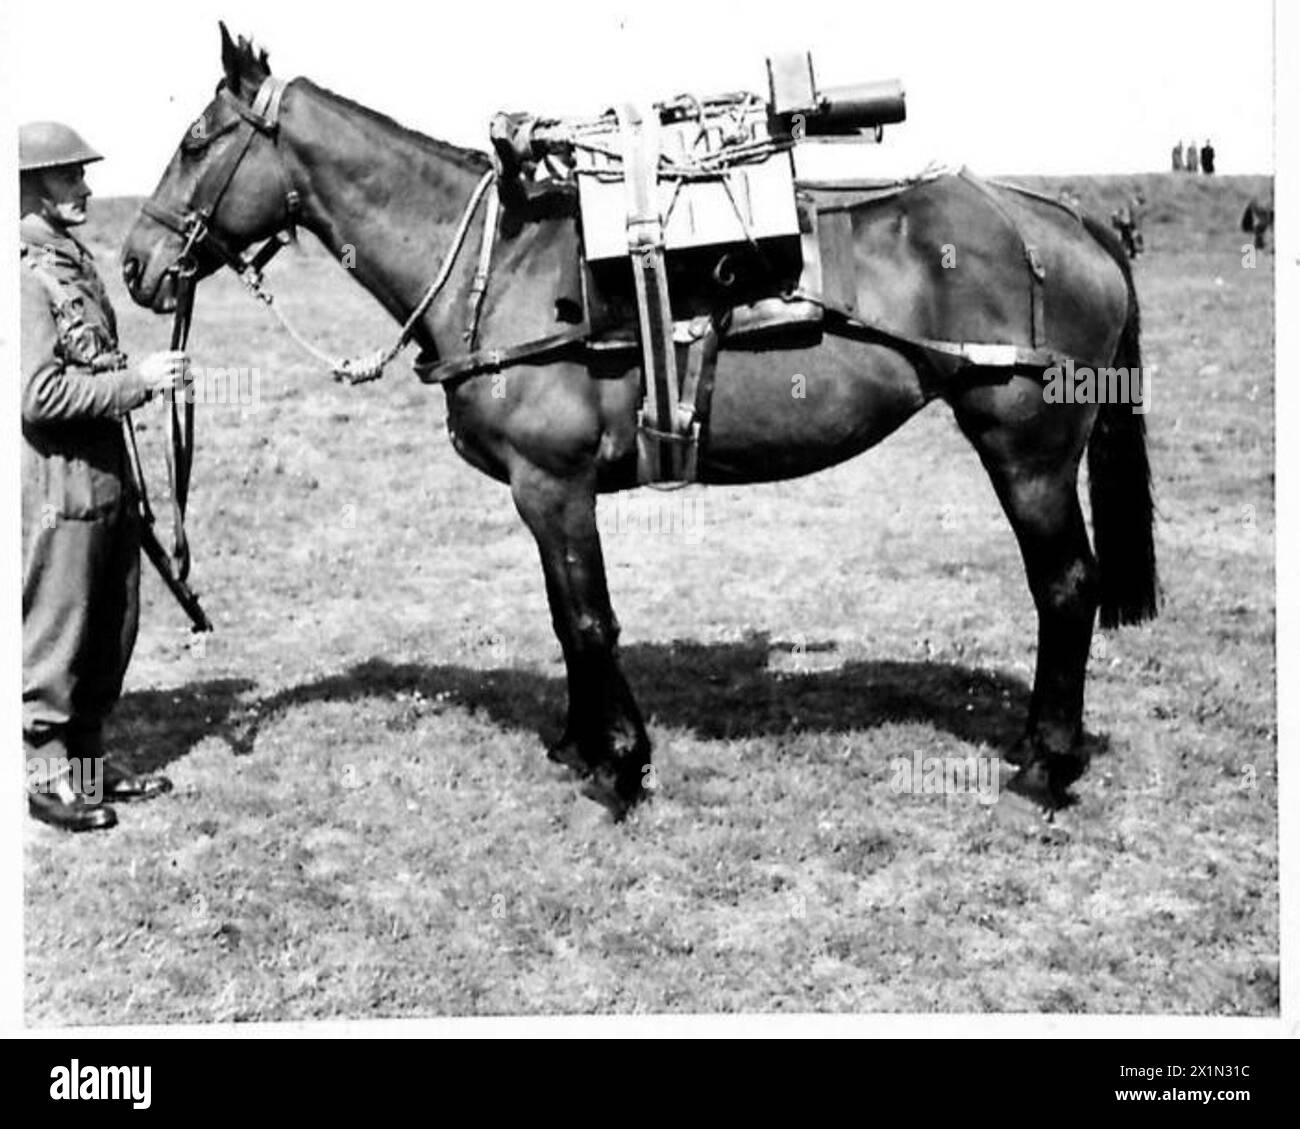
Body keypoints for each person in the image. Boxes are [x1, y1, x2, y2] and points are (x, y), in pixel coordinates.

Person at [20, 121, 189, 831]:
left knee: (106, 631)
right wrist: (135, 383)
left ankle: (86, 769)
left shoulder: (69, 262)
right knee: (59, 635)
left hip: (107, 478)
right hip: (62, 484)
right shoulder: (24, 277)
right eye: (69, 177)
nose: (85, 187)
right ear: (28, 187)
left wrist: (137, 376)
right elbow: (36, 393)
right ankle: (45, 775)